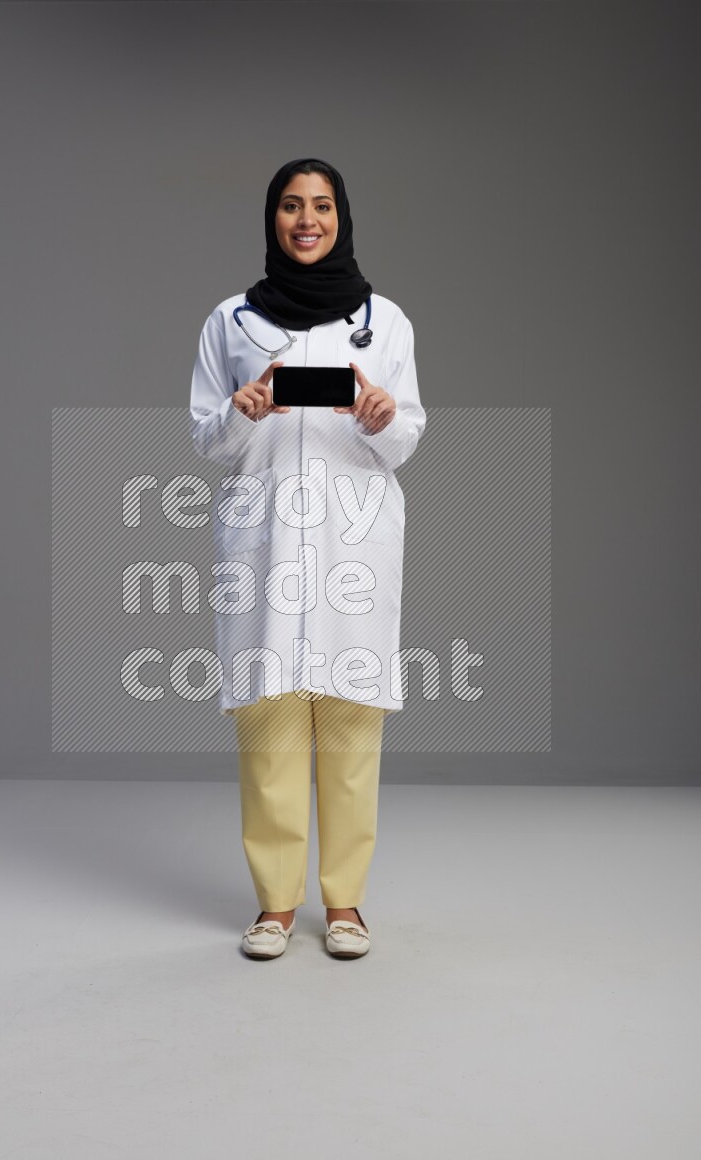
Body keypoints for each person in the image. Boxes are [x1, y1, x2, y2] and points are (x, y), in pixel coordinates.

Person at [189, 158, 426, 960]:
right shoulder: (231, 320)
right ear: (272, 218)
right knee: (269, 723)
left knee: (353, 726)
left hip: (353, 539)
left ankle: (347, 905)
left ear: (341, 216)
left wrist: (382, 415)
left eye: (320, 206)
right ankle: (275, 907)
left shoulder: (385, 320)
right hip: (263, 540)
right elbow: (206, 437)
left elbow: (405, 439)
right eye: (291, 206)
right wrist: (241, 407)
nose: (306, 220)